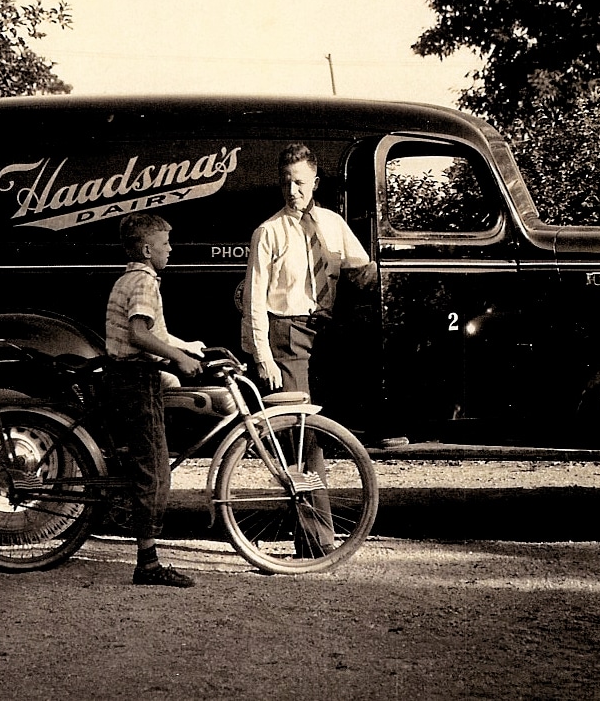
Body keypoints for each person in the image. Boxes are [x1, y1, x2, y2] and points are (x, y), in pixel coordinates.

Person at [239, 144, 395, 557]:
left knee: (325, 433)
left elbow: (361, 269)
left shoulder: (332, 223)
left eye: (301, 182)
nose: (293, 191)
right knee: (306, 441)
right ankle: (316, 543)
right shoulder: (268, 232)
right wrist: (263, 356)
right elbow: (255, 299)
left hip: (325, 333)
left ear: (315, 183)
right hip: (285, 336)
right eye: (286, 182)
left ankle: (317, 533)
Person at [103, 212, 206, 587]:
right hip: (136, 379)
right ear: (148, 250)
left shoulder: (128, 278)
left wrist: (185, 345)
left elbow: (154, 331)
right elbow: (139, 334)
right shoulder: (146, 282)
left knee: (149, 464)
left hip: (125, 377)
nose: (171, 249)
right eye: (165, 244)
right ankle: (147, 564)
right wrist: (178, 358)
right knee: (155, 469)